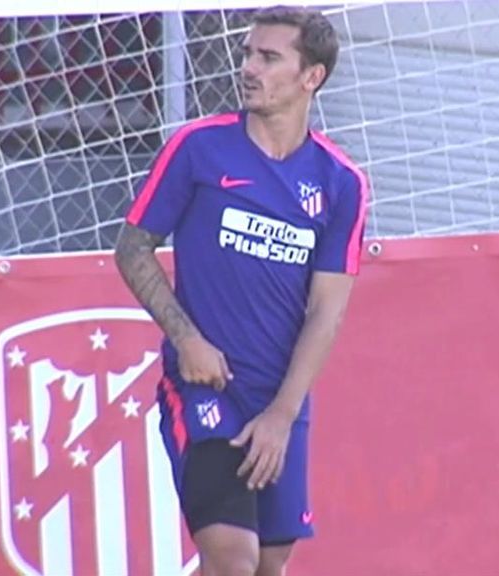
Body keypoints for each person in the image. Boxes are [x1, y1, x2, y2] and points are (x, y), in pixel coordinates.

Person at [114, 6, 368, 576]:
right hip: (205, 388)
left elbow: (326, 312)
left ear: (311, 77)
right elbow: (132, 248)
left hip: (279, 402)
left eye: (269, 57)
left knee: (267, 565)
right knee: (233, 558)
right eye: (248, 53)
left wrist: (283, 413)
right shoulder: (198, 148)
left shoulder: (340, 183)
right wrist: (189, 341)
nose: (249, 67)